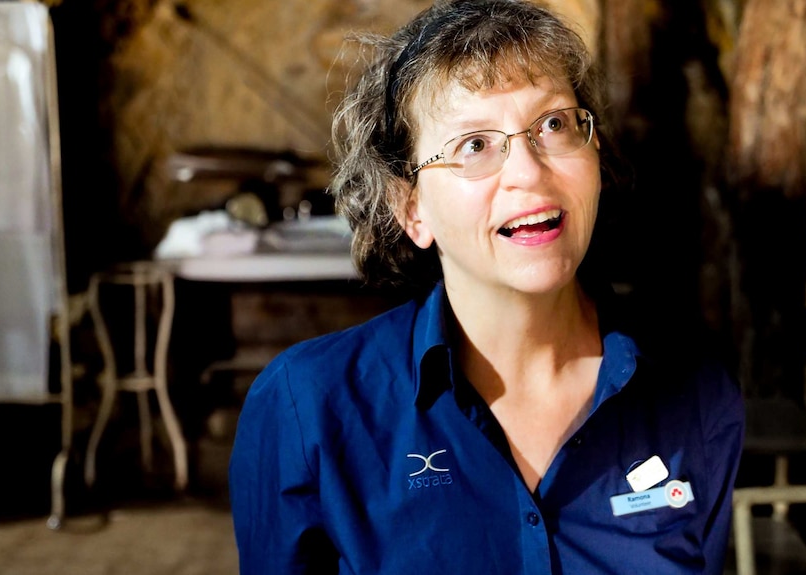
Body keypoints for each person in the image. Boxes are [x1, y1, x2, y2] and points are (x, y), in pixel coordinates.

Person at [229, 1, 745, 573]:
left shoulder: (696, 395)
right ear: (410, 208)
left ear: (593, 150)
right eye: (474, 145)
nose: (527, 171)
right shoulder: (310, 408)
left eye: (553, 124)